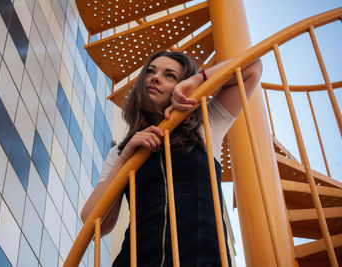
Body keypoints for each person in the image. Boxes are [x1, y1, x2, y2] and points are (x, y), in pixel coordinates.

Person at [81, 50, 262, 266]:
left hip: (202, 260)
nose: (155, 77)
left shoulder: (207, 122)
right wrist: (125, 158)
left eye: (170, 75)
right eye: (150, 71)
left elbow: (252, 66)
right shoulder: (120, 152)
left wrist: (198, 81)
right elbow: (91, 226)